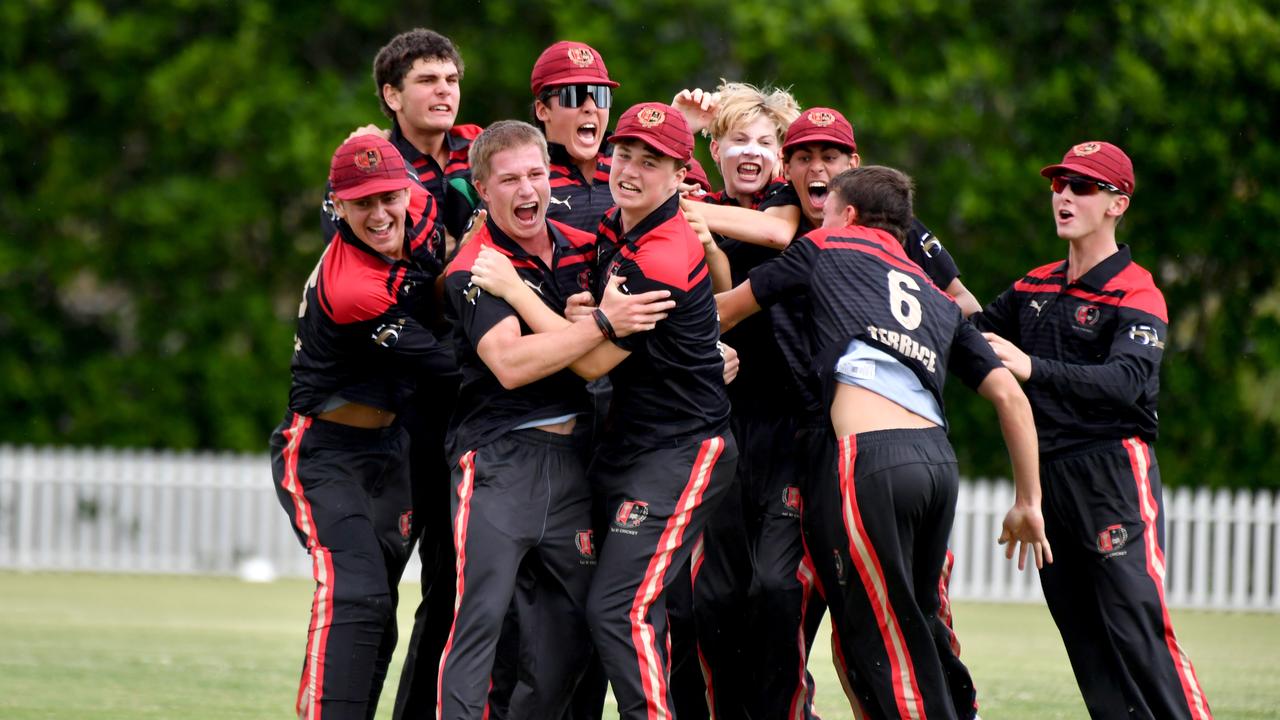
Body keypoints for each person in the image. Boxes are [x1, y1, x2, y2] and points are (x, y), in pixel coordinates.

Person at [716, 165, 1051, 719]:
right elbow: (1012, 399)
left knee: (884, 640)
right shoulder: (932, 291)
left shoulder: (825, 243)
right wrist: (1028, 502)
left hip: (869, 462)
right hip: (938, 465)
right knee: (918, 619)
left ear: (846, 214)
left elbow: (725, 310)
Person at [471, 102, 737, 720]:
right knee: (615, 608)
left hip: (682, 451)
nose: (631, 170)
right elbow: (592, 328)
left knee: (621, 609)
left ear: (679, 176)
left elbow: (589, 364)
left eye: (652, 162)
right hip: (633, 447)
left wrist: (514, 290)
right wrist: (591, 317)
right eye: (624, 155)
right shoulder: (622, 225)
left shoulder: (662, 252)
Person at [435, 120, 675, 720]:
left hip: (576, 465)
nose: (526, 190)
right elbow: (512, 364)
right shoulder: (477, 264)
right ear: (482, 190)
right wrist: (595, 323)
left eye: (537, 175)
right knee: (478, 626)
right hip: (498, 460)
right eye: (509, 179)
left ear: (552, 177)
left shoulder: (583, 244)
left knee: (572, 638)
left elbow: (629, 332)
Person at [974, 141, 1212, 719]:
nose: (1063, 196)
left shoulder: (1138, 290)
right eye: (1059, 185)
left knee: (1134, 625)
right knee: (1086, 639)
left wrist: (1033, 368)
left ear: (1117, 204)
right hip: (1050, 477)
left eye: (1081, 187)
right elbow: (970, 336)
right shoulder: (1034, 286)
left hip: (1112, 472)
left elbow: (1125, 383)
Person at [269, 134, 452, 720]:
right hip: (324, 452)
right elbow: (448, 365)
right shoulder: (352, 288)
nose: (378, 215)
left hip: (389, 448)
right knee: (358, 594)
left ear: (406, 192)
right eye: (360, 204)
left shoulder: (417, 210)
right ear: (337, 208)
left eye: (387, 198)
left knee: (378, 611)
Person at [530, 40, 620, 232]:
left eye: (600, 94)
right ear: (543, 110)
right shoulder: (523, 177)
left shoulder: (633, 164)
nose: (591, 107)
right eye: (574, 95)